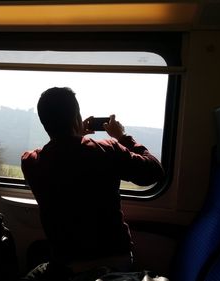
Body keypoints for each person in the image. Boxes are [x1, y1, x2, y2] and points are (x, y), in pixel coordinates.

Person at [20, 87, 164, 280]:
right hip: (115, 261)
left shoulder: (31, 162)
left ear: (44, 123)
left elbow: (64, 156)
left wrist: (74, 134)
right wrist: (121, 137)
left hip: (66, 265)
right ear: (76, 118)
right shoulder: (108, 149)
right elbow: (154, 171)